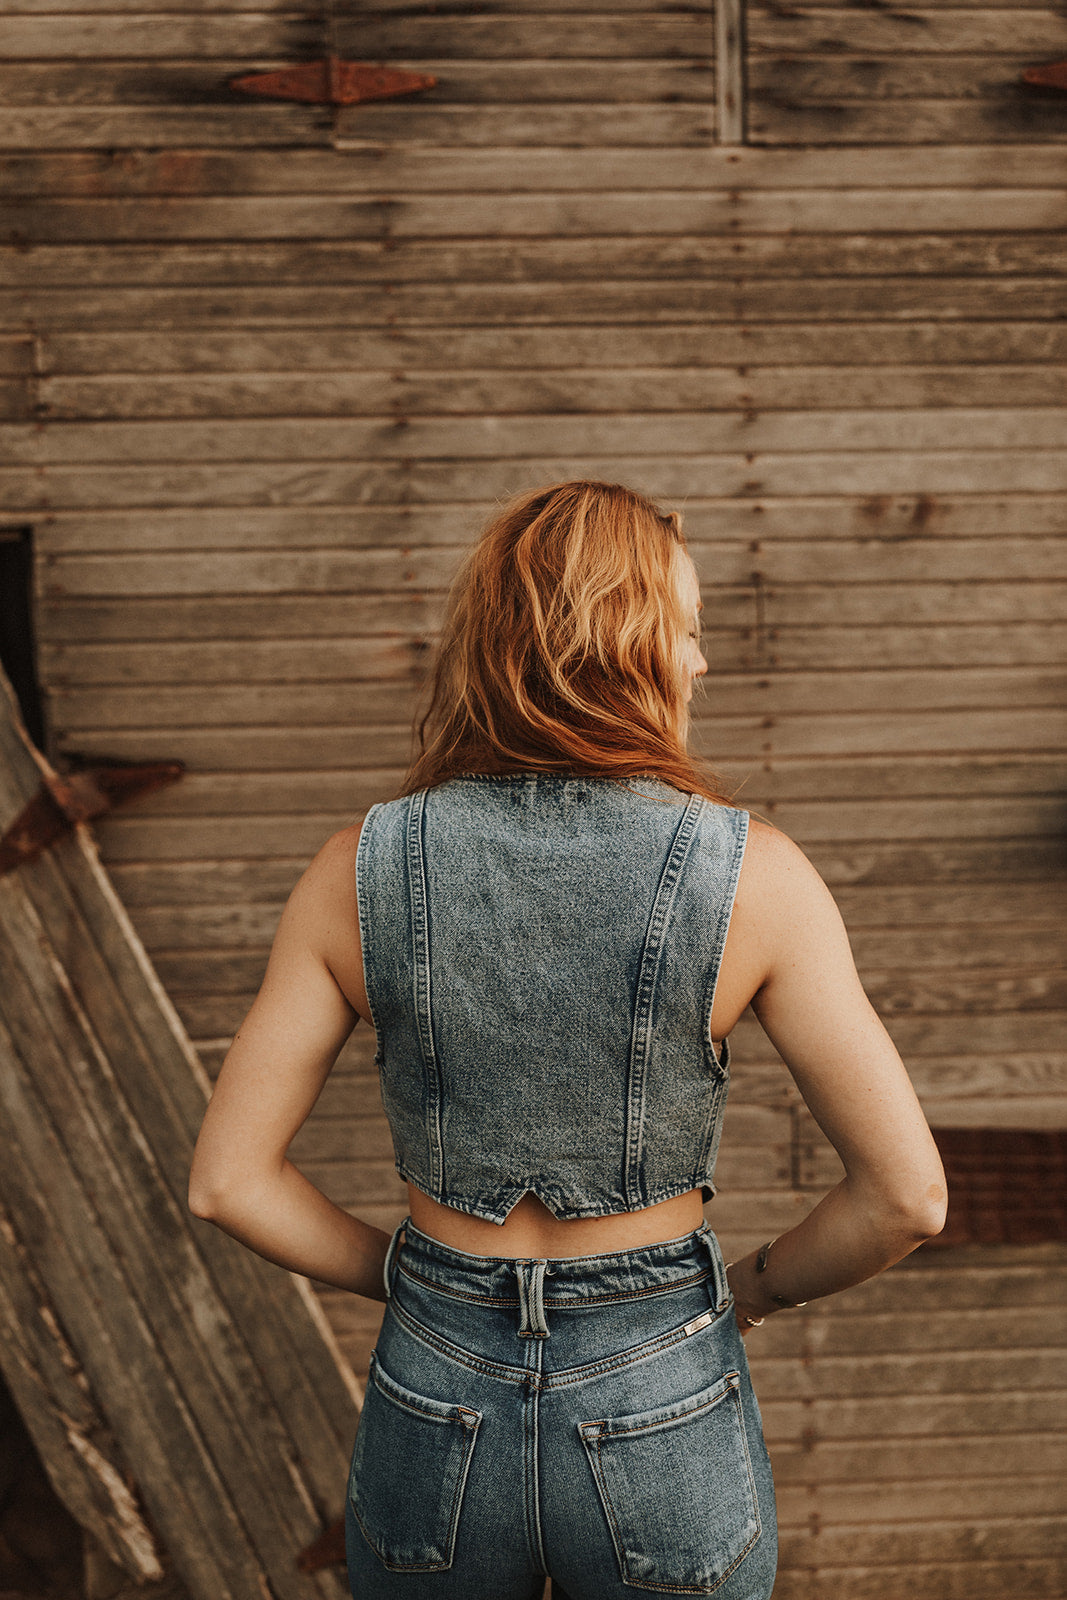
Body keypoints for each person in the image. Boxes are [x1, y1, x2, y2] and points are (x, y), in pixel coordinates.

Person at [189, 480, 947, 1600]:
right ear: (625, 642)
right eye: (687, 629)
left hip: (435, 1388)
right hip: (663, 1379)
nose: (701, 663)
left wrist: (417, 1284)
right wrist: (742, 1293)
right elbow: (906, 1198)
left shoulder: (355, 870)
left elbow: (228, 1182)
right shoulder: (756, 878)